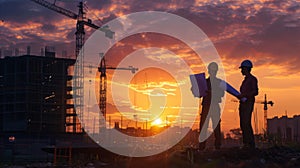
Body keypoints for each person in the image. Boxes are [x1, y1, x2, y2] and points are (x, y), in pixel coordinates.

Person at [198, 62, 225, 150]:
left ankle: (217, 146)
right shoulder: (204, 82)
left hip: (214, 106)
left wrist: (211, 92)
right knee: (203, 127)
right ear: (209, 71)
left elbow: (221, 93)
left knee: (216, 126)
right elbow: (199, 94)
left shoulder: (218, 82)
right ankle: (202, 146)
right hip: (206, 106)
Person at [237, 60, 258, 149]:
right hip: (243, 103)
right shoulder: (245, 80)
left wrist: (245, 95)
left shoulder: (252, 79)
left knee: (246, 122)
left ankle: (250, 144)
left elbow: (255, 91)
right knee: (243, 123)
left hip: (248, 103)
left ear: (247, 69)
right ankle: (246, 143)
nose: (241, 71)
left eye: (242, 69)